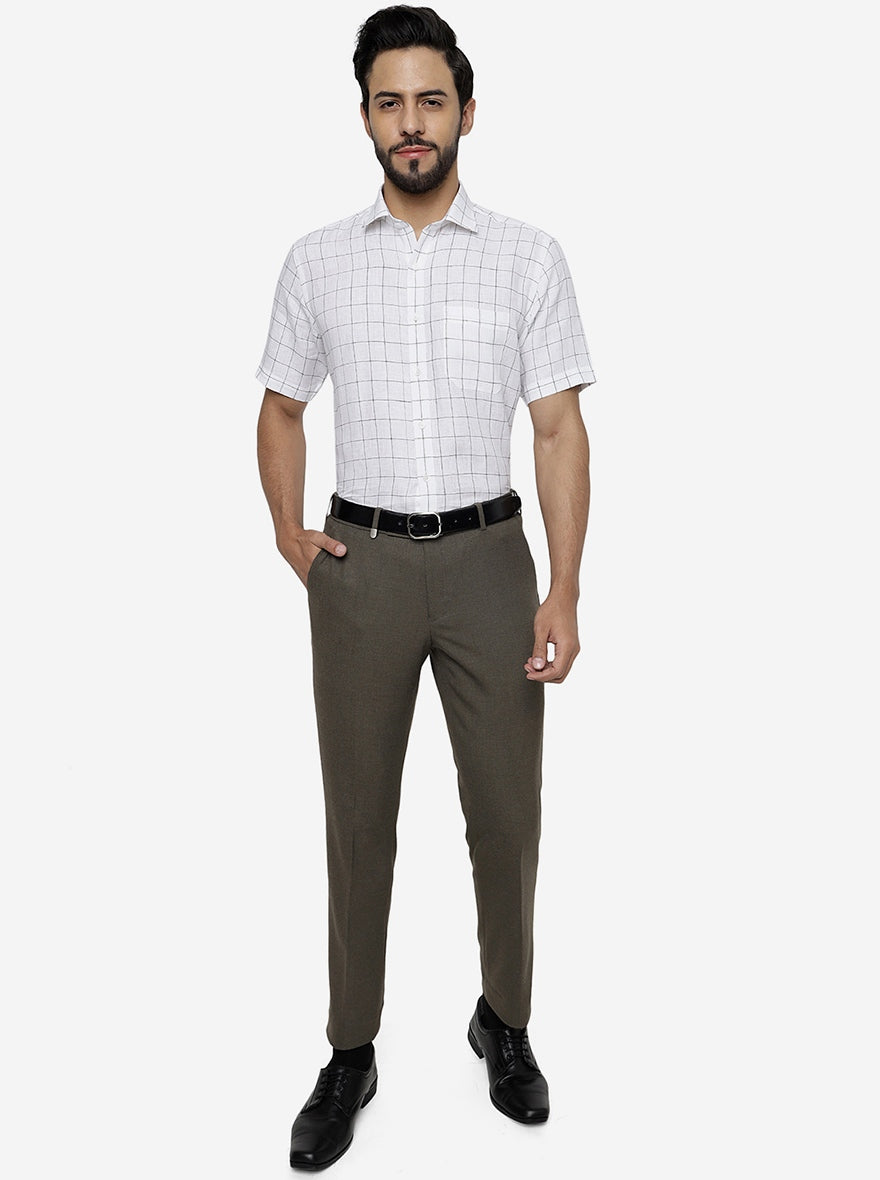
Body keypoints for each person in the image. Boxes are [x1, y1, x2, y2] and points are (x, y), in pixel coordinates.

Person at [255, 5, 597, 1170]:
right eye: (390, 101)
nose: (412, 122)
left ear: (466, 113)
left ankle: (504, 1019)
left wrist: (563, 588)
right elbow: (280, 407)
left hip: (491, 562)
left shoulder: (528, 255)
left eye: (431, 101)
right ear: (364, 116)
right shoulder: (316, 259)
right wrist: (290, 535)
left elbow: (556, 429)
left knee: (506, 814)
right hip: (360, 567)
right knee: (358, 820)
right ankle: (350, 1049)